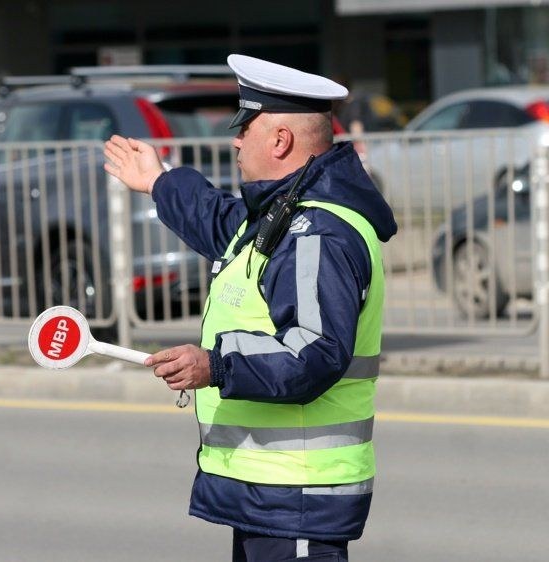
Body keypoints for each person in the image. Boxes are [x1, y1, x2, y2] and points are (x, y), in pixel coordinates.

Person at [104, 54, 397, 561]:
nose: (236, 139)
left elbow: (315, 353)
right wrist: (159, 181)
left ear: (279, 140)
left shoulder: (317, 234)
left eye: (246, 126)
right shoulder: (282, 217)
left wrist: (214, 365)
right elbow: (221, 223)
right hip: (273, 498)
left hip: (298, 496)